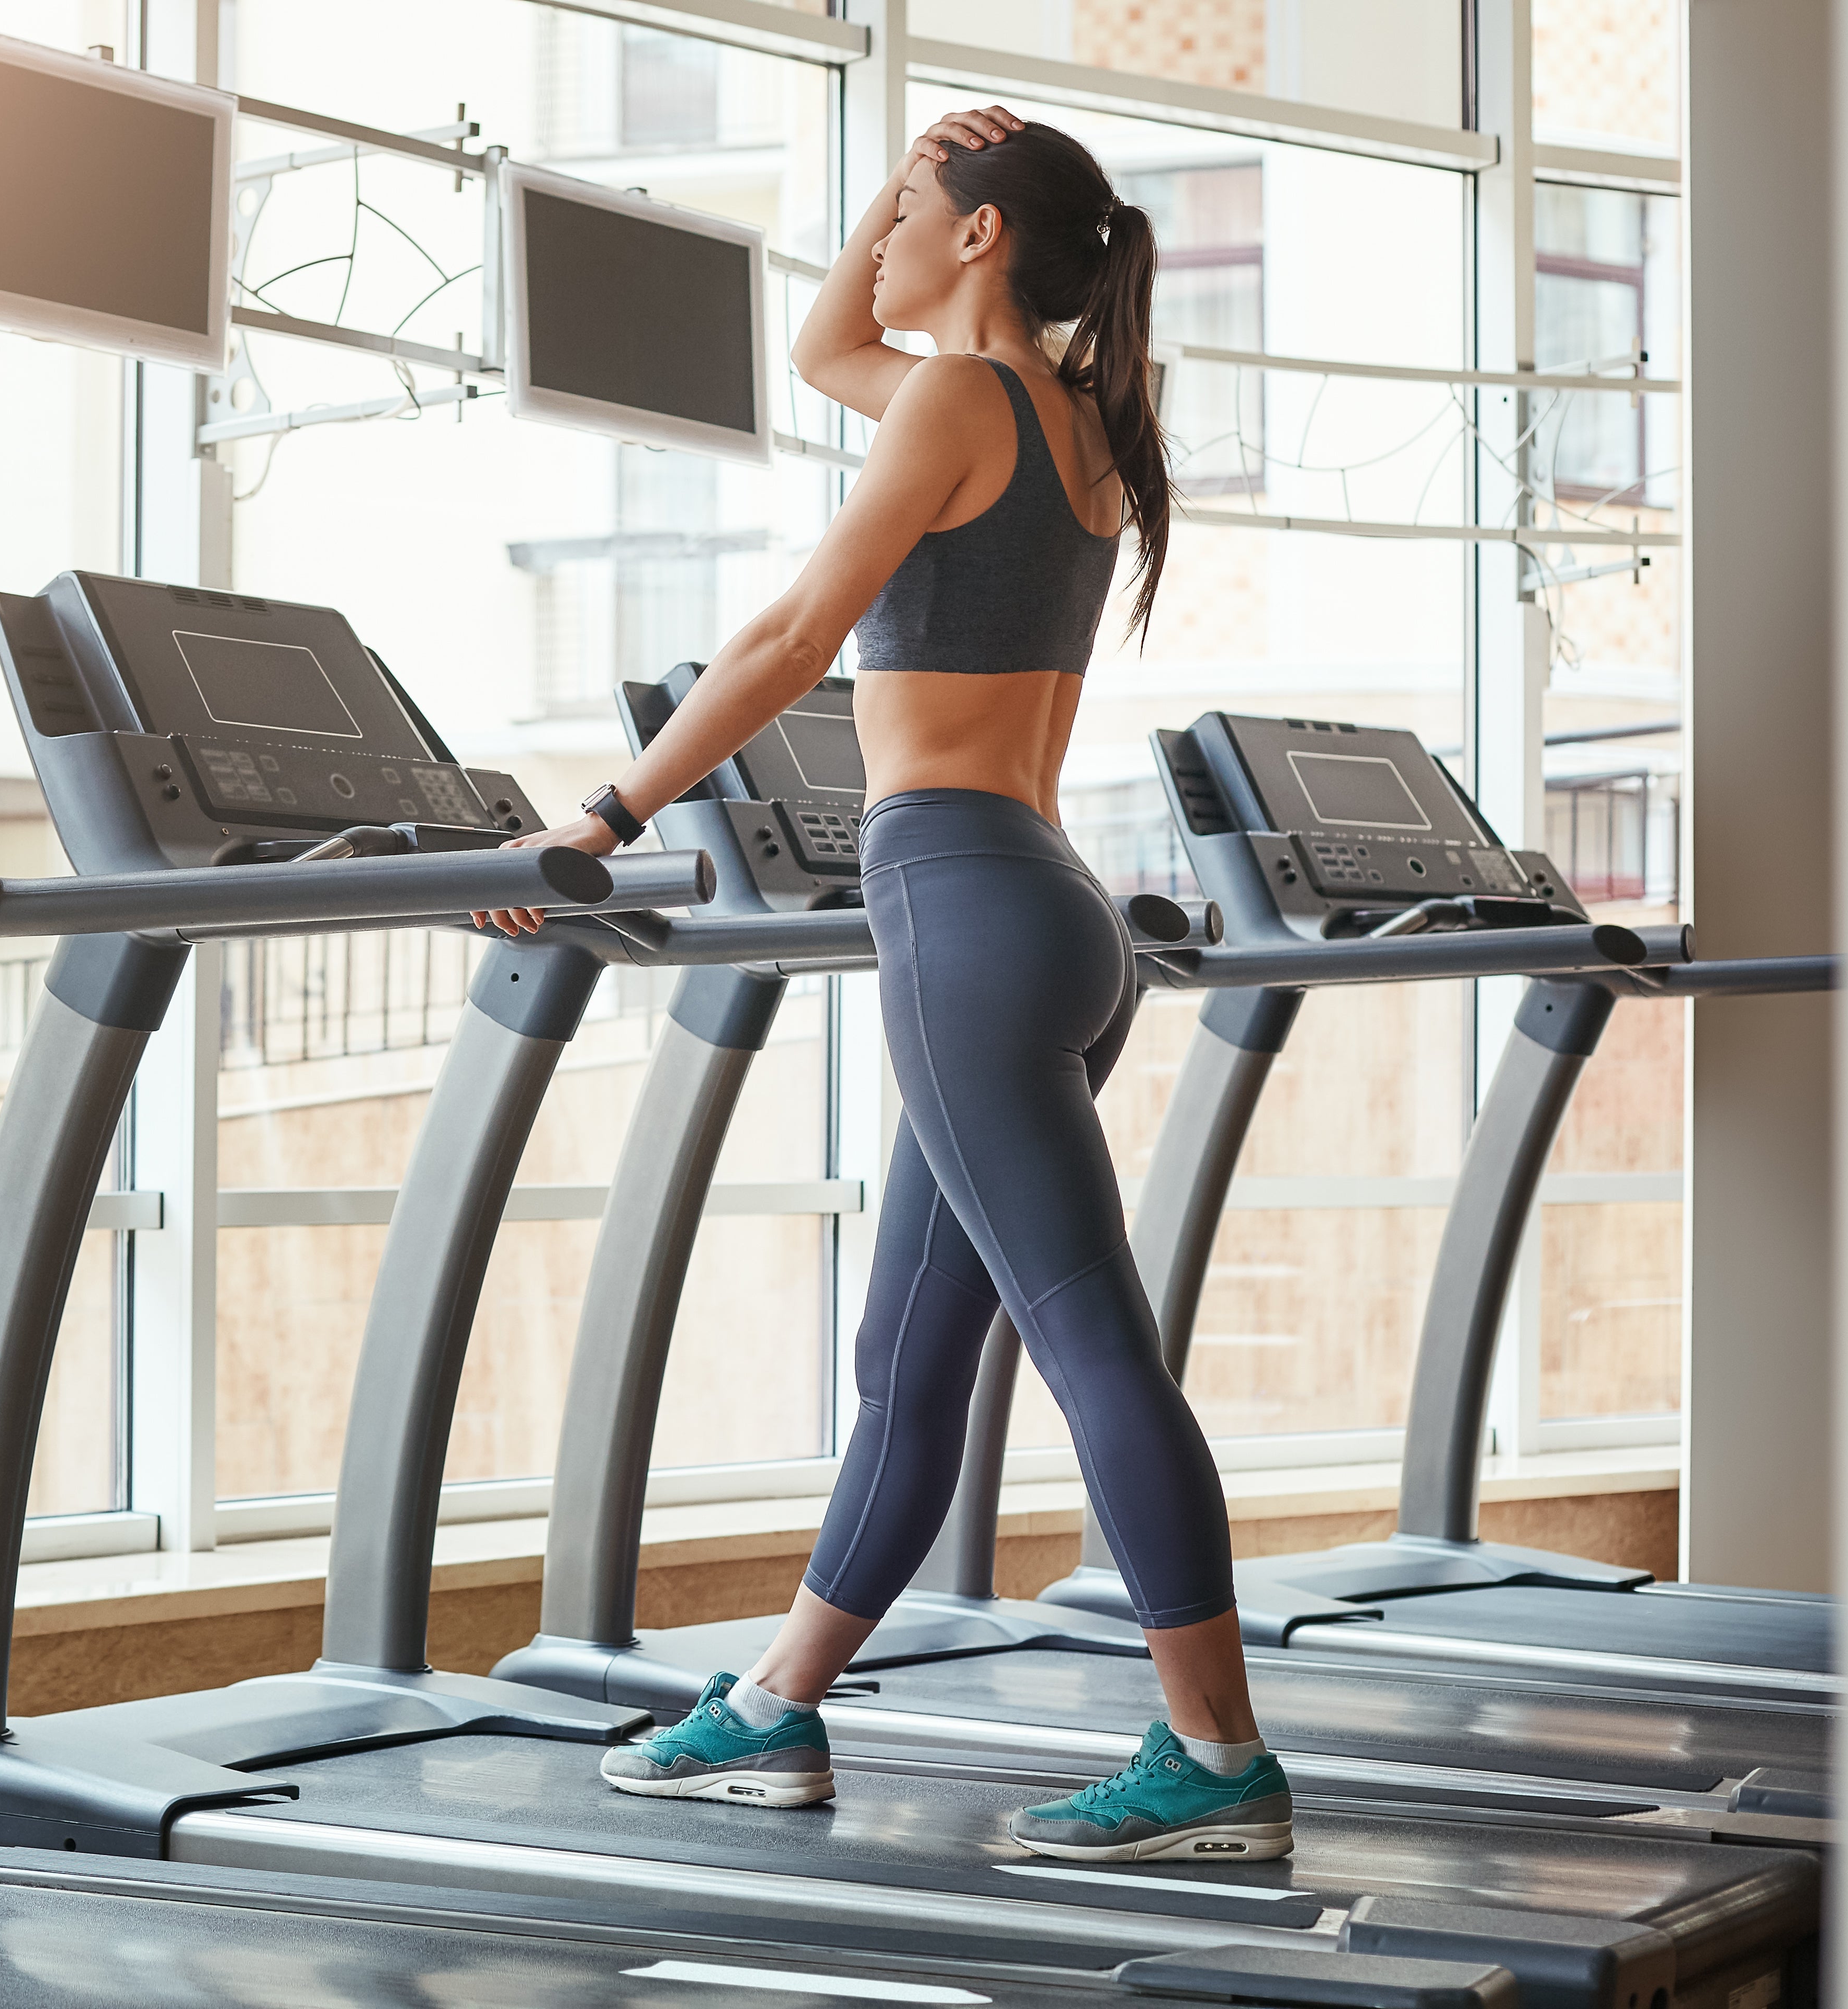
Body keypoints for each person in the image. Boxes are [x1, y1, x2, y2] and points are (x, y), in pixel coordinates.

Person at [470, 106, 1287, 1864]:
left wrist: (608, 814)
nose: (887, 247)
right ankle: (775, 1710)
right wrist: (905, 185)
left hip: (962, 902)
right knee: (907, 1365)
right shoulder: (1071, 421)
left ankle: (1217, 1755)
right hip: (1054, 908)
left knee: (1089, 1350)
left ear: (984, 241)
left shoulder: (956, 403)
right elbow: (830, 339)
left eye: (915, 216)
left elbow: (785, 641)